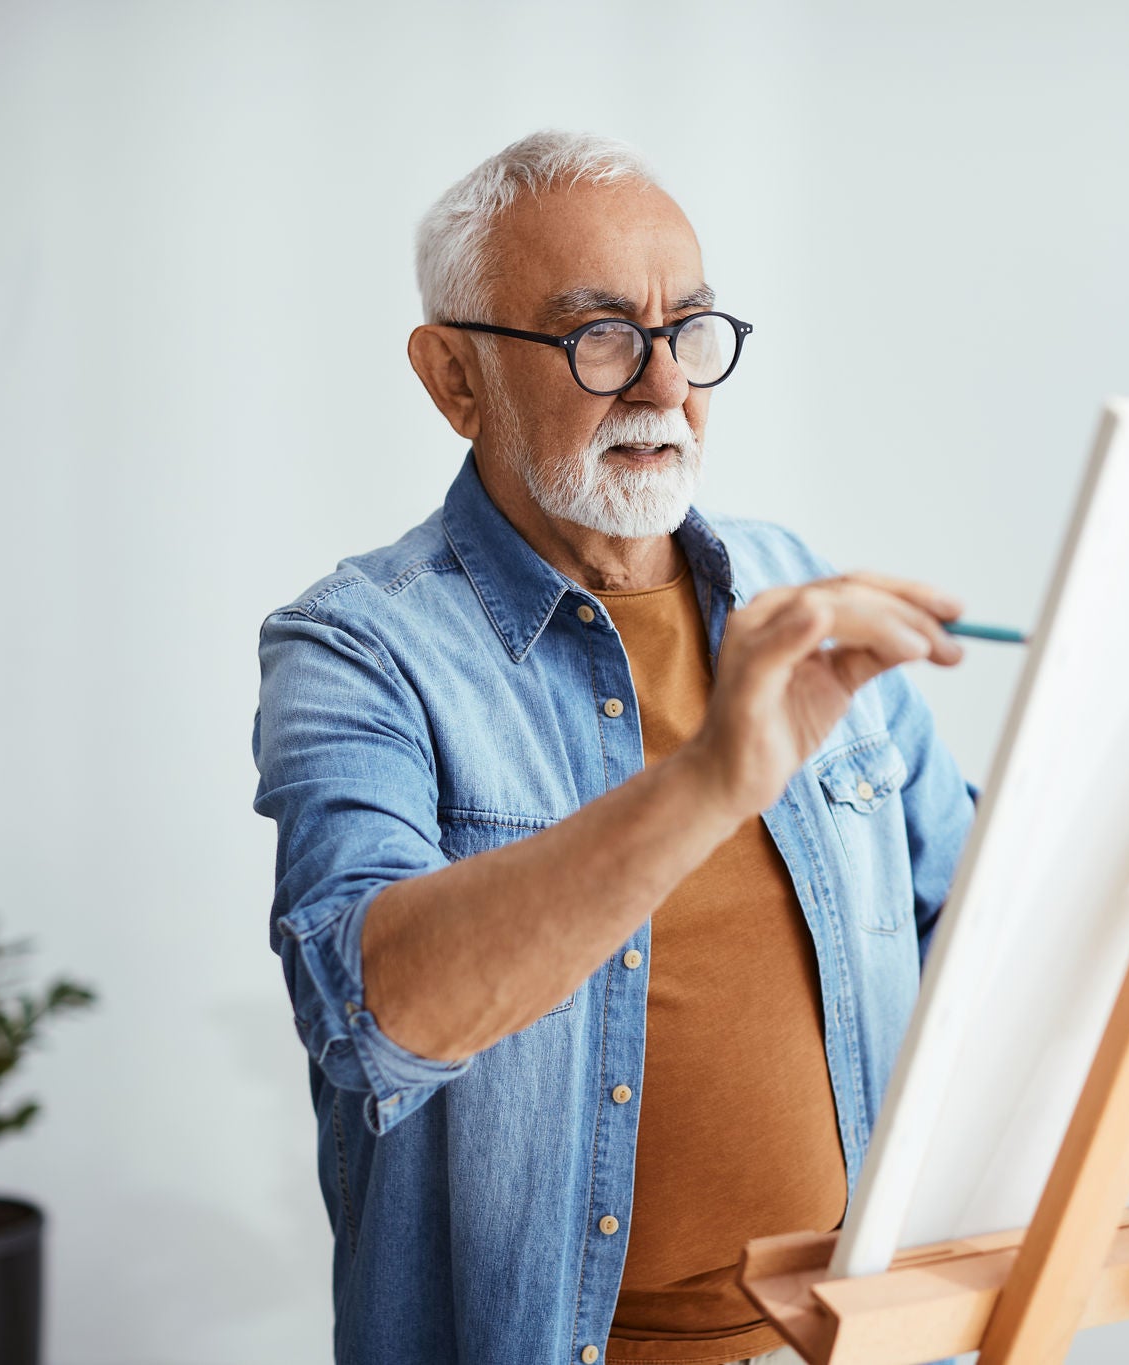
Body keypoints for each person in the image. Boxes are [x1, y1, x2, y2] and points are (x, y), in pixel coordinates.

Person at [252, 130, 976, 1365]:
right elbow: (375, 1013)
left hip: (855, 1338)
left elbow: (972, 922)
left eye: (689, 331)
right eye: (597, 337)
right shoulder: (354, 647)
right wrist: (705, 787)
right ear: (454, 378)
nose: (662, 387)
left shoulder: (794, 584)